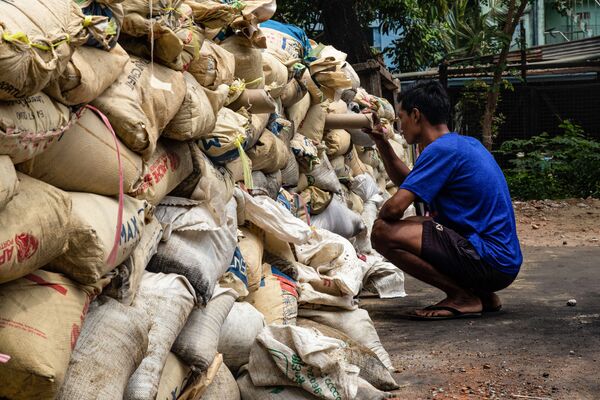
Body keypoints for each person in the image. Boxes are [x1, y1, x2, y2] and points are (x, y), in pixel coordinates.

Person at [368, 80, 522, 320]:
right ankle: (482, 295)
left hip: (490, 260)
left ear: (416, 115)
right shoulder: (461, 144)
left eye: (402, 118)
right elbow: (411, 182)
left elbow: (394, 209)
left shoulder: (441, 150)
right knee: (420, 224)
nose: (400, 126)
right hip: (501, 262)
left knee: (382, 232)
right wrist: (382, 142)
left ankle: (462, 297)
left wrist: (387, 214)